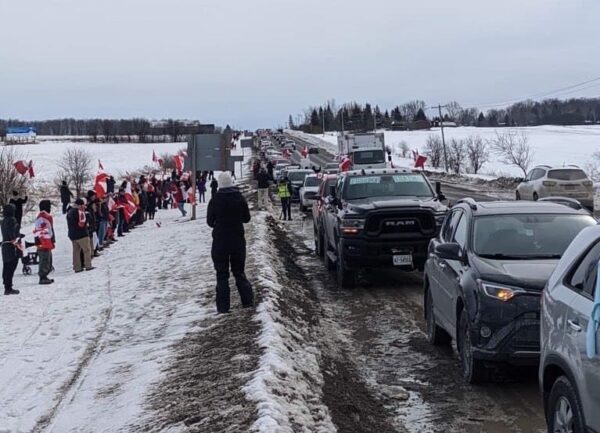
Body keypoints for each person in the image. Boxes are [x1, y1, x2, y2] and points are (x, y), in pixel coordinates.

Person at [207, 172, 253, 313]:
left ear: (220, 184)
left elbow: (210, 222)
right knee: (239, 272)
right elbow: (247, 218)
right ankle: (247, 301)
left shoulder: (215, 200)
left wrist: (219, 224)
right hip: (237, 240)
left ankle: (223, 308)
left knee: (222, 275)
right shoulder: (239, 198)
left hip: (220, 242)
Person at [67, 198, 94, 273]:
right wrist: (87, 217)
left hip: (72, 235)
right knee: (87, 250)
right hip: (82, 234)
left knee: (76, 252)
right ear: (80, 205)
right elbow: (82, 223)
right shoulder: (80, 212)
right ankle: (88, 265)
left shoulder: (69, 212)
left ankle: (77, 267)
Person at [34, 200, 55, 285]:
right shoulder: (42, 217)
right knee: (44, 258)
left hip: (46, 240)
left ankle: (45, 275)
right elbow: (42, 230)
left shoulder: (44, 216)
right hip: (43, 241)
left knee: (48, 258)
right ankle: (42, 277)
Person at [1, 204, 21, 295]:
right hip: (11, 245)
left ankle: (6, 285)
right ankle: (9, 287)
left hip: (4, 245)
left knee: (6, 266)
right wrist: (17, 237)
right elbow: (13, 233)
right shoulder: (12, 220)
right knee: (12, 265)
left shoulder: (3, 221)